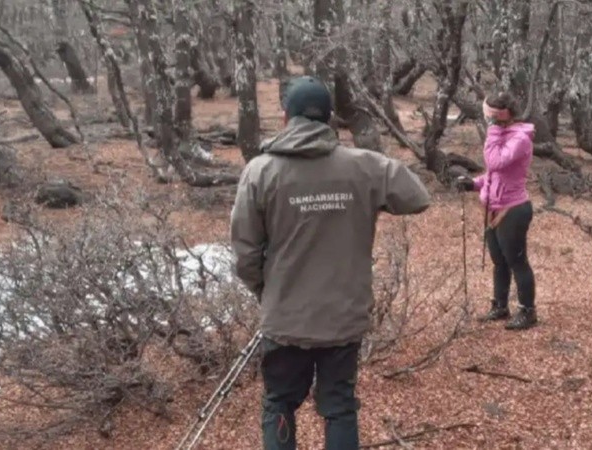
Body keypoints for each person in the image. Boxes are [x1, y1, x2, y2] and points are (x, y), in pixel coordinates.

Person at [229, 75, 431, 450]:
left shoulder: (260, 171)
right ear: (329, 119)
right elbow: (417, 197)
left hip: (286, 317)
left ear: (287, 116)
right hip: (343, 317)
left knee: (280, 403)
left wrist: (268, 290)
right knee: (338, 407)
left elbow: (244, 253)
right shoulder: (365, 166)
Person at [456, 92, 537, 330]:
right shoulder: (503, 134)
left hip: (514, 209)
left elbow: (495, 162)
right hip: (493, 206)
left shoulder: (520, 138)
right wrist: (473, 184)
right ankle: (500, 305)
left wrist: (492, 130)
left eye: (489, 117)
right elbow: (494, 174)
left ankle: (528, 311)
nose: (487, 122)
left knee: (517, 261)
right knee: (499, 261)